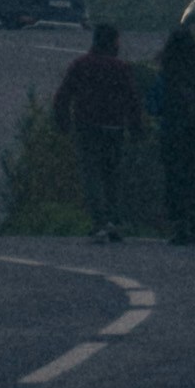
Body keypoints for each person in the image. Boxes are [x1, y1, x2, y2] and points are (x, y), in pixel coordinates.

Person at [54, 18, 149, 240]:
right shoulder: (121, 68)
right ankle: (114, 219)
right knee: (112, 175)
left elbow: (63, 96)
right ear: (112, 43)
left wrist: (63, 122)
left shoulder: (80, 64)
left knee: (91, 175)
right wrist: (136, 127)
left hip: (86, 126)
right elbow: (132, 100)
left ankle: (100, 221)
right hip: (114, 127)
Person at [153, 18, 195, 244]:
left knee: (174, 179)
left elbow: (155, 104)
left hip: (172, 135)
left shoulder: (167, 74)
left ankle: (179, 224)